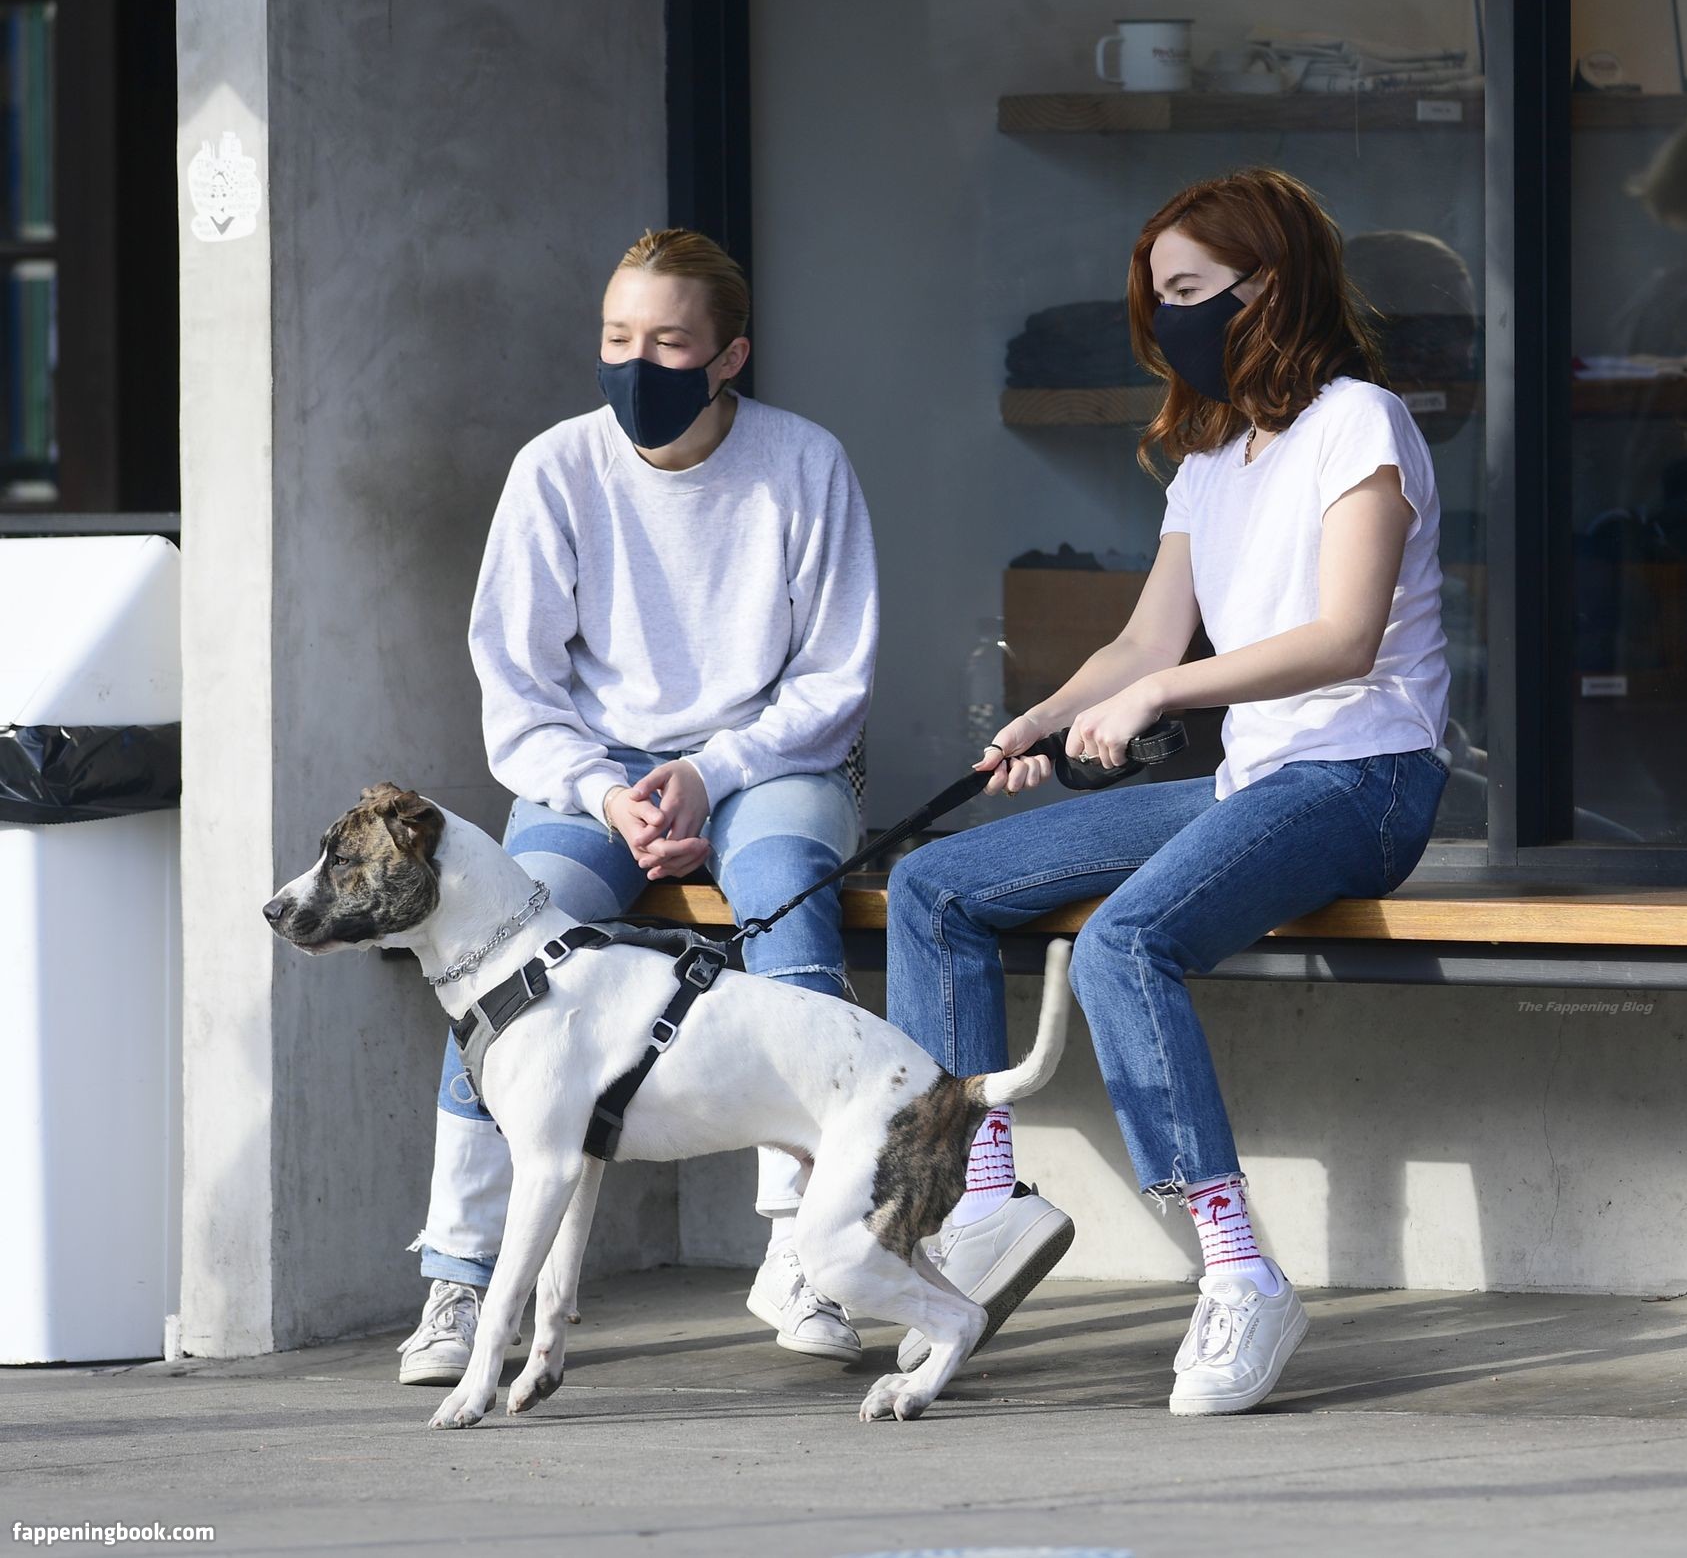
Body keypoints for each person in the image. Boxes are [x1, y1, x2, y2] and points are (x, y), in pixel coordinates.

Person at [885, 167, 1450, 1416]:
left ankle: (1240, 1272)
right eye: (1161, 298)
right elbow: (1145, 640)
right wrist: (1045, 715)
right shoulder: (1211, 454)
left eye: (1193, 290)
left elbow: (1346, 637)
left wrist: (1162, 694)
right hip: (1255, 778)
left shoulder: (1360, 422)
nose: (1173, 318)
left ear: (1272, 285)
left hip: (1365, 773)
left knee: (1123, 941)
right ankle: (985, 1193)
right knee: (934, 886)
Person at [397, 229, 879, 1384]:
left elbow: (833, 680)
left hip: (772, 760)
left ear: (730, 355)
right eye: (618, 337)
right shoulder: (557, 468)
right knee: (512, 936)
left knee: (785, 897)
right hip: (594, 769)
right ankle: (461, 1276)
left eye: (667, 342)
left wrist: (713, 769)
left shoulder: (803, 462)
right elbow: (518, 687)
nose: (636, 363)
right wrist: (607, 790)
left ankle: (806, 1250)